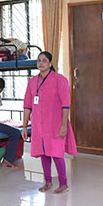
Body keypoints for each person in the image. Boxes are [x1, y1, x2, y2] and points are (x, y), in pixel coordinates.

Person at [22, 51, 77, 193]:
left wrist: (64, 125)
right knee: (44, 153)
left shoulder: (60, 80)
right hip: (38, 124)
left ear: (50, 63)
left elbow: (66, 104)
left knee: (56, 153)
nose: (41, 63)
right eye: (39, 60)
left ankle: (63, 184)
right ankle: (47, 182)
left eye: (44, 60)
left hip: (55, 123)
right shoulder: (32, 82)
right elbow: (27, 105)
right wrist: (24, 126)